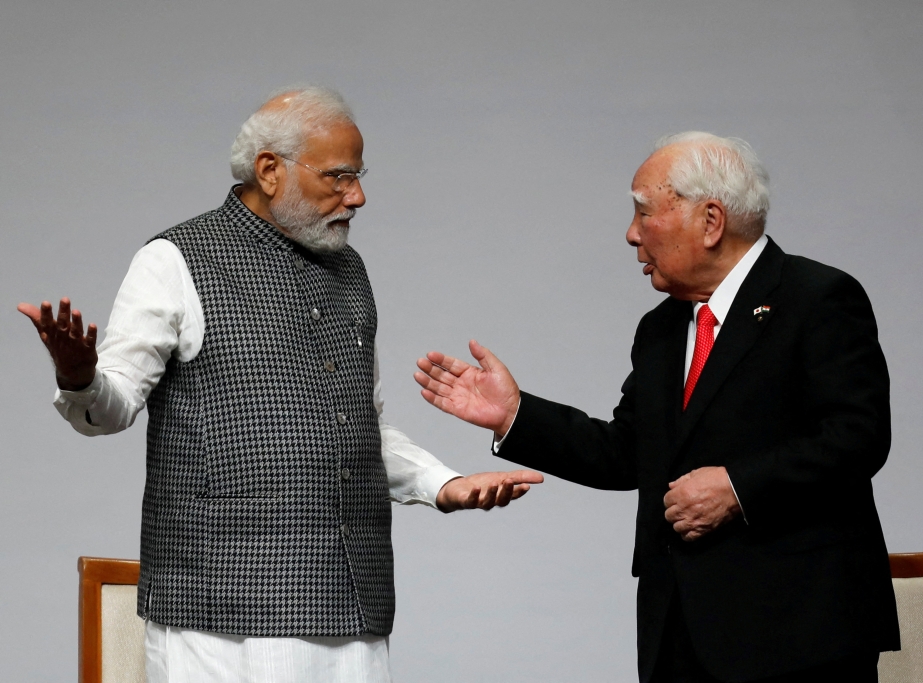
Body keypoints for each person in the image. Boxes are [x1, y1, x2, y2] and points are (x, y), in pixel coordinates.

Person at [18, 86, 542, 683]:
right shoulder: (176, 259)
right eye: (340, 177)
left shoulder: (350, 272)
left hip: (355, 605)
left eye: (358, 176)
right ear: (269, 170)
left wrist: (443, 484)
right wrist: (79, 375)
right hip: (221, 615)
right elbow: (109, 409)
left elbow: (355, 429)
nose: (358, 196)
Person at [414, 132, 900, 683]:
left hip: (799, 633)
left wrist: (737, 488)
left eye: (644, 213)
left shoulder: (817, 297)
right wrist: (515, 415)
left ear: (710, 221)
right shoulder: (662, 328)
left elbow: (858, 437)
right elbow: (627, 453)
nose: (631, 233)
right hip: (679, 632)